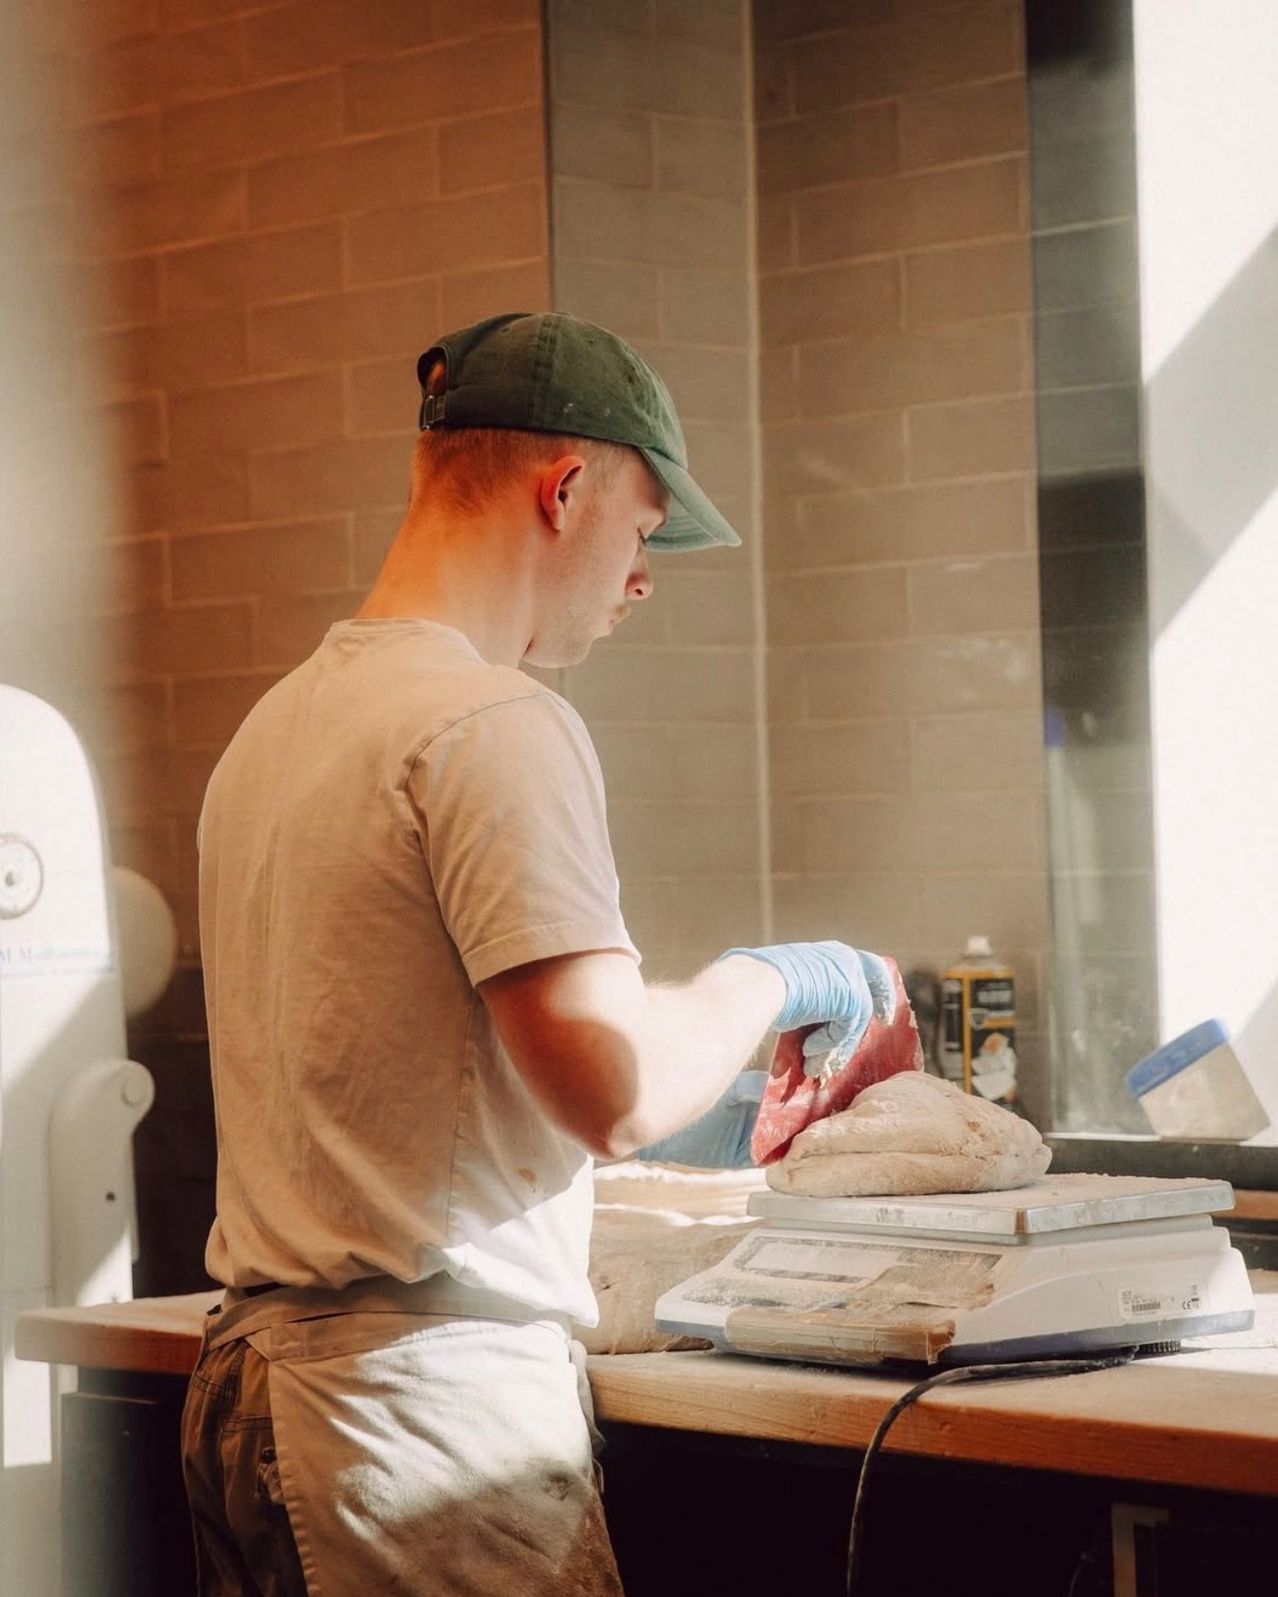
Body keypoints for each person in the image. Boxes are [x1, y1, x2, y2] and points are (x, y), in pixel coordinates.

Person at [181, 311, 890, 1596]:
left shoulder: (277, 728)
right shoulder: (493, 720)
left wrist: (729, 1119)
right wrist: (787, 974)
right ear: (563, 491)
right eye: (644, 528)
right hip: (418, 1422)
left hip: (262, 1391)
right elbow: (614, 1091)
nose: (643, 577)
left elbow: (404, 1071)